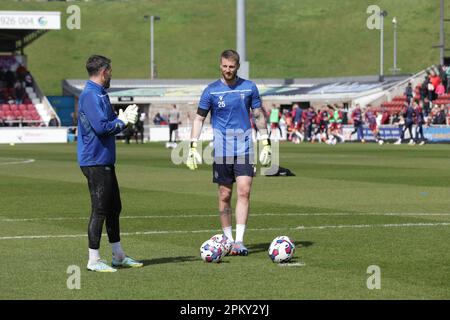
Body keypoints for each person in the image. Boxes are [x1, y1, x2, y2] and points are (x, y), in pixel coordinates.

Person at [186, 49, 271, 256]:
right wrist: (192, 146)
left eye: (231, 67)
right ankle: (228, 239)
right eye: (224, 66)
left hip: (244, 148)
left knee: (244, 191)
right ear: (220, 65)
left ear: (237, 67)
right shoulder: (211, 91)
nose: (227, 70)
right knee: (225, 195)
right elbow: (199, 119)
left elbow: (258, 116)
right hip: (222, 150)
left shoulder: (249, 88)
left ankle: (239, 242)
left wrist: (266, 142)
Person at [77, 55, 143, 272]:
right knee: (100, 209)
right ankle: (93, 260)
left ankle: (118, 255)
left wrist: (120, 120)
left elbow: (108, 124)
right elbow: (102, 127)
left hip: (103, 158)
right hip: (94, 159)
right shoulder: (90, 95)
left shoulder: (99, 93)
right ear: (103, 71)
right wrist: (122, 121)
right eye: (110, 71)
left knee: (114, 207)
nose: (111, 75)